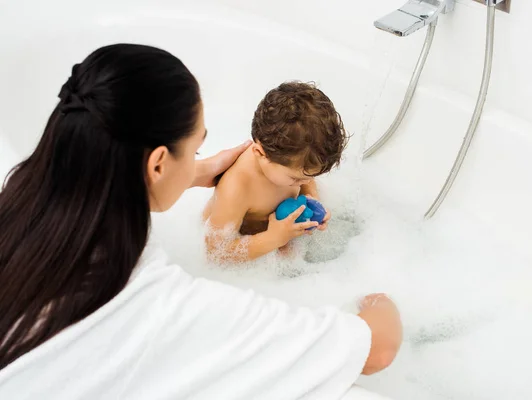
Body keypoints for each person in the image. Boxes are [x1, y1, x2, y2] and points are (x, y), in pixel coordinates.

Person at [0, 44, 402, 399]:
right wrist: (379, 301)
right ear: (157, 164)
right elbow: (377, 350)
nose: (203, 159)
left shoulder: (19, 201)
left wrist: (194, 171)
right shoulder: (158, 301)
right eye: (197, 147)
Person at [203, 81, 348, 263]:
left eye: (309, 177)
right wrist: (273, 239)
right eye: (296, 178)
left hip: (276, 237)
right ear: (260, 153)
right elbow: (216, 253)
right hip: (245, 248)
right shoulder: (237, 187)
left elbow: (305, 179)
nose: (303, 183)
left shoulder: (291, 163)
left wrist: (312, 199)